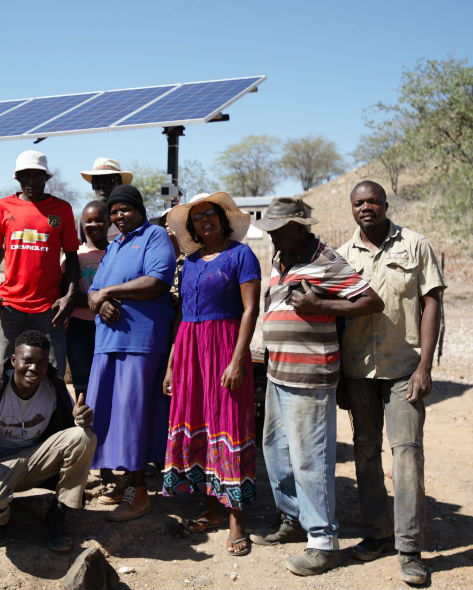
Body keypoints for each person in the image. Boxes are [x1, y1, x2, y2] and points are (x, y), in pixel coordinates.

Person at [250, 197, 384, 576]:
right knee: (276, 450)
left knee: (311, 457)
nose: (273, 237)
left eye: (279, 231)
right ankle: (293, 519)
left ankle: (323, 541)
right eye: (271, 231)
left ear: (298, 227)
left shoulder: (327, 261)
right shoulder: (281, 258)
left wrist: (320, 305)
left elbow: (371, 301)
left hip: (310, 374)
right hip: (279, 371)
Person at [336, 180, 446, 586]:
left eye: (373, 201)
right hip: (358, 370)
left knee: (407, 454)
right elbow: (336, 316)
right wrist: (339, 377)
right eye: (358, 202)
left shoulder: (415, 245)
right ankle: (377, 534)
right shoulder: (343, 255)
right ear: (352, 208)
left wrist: (425, 367)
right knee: (365, 452)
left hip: (404, 368)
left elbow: (432, 301)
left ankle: (410, 549)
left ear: (385, 204)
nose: (366, 207)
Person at [161, 192, 261, 557]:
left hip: (224, 346)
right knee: (200, 421)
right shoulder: (188, 262)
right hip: (189, 347)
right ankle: (213, 507)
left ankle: (237, 518)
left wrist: (237, 359)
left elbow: (251, 309)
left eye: (210, 215)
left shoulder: (241, 255)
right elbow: (181, 315)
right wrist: (172, 364)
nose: (204, 221)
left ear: (223, 220)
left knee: (230, 423)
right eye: (197, 218)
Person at [0, 330, 95, 553]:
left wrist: (80, 419)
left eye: (41, 363)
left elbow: (68, 434)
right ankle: (0, 517)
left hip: (34, 461)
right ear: (13, 360)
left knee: (84, 436)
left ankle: (59, 512)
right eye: (27, 361)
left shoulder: (54, 388)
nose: (34, 369)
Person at [85, 185, 176, 522]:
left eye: (124, 209)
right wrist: (100, 298)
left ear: (139, 209)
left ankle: (140, 494)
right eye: (114, 211)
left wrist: (107, 292)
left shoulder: (153, 235)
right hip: (109, 344)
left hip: (139, 343)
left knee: (134, 417)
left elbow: (157, 280)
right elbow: (94, 291)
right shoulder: (115, 245)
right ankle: (126, 481)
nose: (118, 216)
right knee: (112, 416)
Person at [0, 150, 80, 378]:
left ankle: (52, 415)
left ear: (47, 177)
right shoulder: (4, 207)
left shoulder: (62, 209)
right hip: (10, 306)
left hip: (50, 309)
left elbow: (72, 255)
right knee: (5, 373)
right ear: (17, 177)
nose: (31, 181)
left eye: (37, 175)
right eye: (25, 175)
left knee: (53, 375)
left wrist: (70, 294)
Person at [62, 201, 109, 398]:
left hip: (109, 325)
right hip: (79, 326)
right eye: (88, 221)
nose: (93, 225)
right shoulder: (74, 256)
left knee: (107, 380)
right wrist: (97, 302)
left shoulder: (117, 252)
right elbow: (65, 294)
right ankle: (83, 425)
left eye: (99, 220)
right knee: (83, 383)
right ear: (81, 223)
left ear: (108, 222)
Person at [79, 157, 132, 242]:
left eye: (108, 180)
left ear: (119, 183)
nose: (102, 186)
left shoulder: (130, 215)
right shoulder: (85, 217)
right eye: (97, 181)